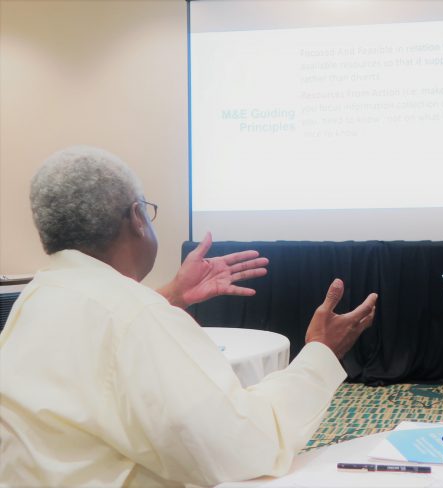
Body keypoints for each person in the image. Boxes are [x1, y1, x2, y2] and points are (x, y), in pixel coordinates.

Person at [0, 146, 378, 486]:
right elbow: (241, 448)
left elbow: (96, 339)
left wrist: (171, 295)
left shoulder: (37, 295)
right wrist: (319, 353)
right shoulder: (137, 316)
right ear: (136, 217)